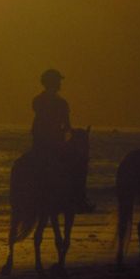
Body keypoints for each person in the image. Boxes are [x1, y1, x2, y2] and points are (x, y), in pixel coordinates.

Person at [32, 69, 93, 213]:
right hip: (54, 144)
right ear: (54, 83)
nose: (60, 84)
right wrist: (75, 133)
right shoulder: (61, 103)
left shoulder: (37, 100)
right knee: (79, 166)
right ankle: (80, 199)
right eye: (58, 81)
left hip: (37, 143)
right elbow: (66, 127)